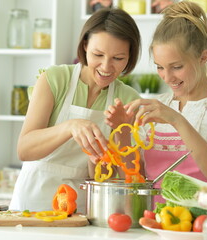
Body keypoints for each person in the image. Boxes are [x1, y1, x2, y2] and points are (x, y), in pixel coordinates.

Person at [105, 1, 207, 204]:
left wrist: (177, 120)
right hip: (155, 222)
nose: (167, 77)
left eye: (177, 66)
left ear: (203, 57)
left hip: (202, 225)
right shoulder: (157, 105)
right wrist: (123, 131)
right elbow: (135, 176)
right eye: (160, 67)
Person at [9, 8, 141, 212]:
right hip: (32, 202)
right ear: (85, 45)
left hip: (82, 207)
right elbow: (24, 149)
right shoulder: (55, 79)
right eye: (98, 54)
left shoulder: (128, 99)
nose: (106, 66)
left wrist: (121, 134)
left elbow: (126, 178)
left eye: (118, 58)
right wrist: (70, 127)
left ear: (130, 56)